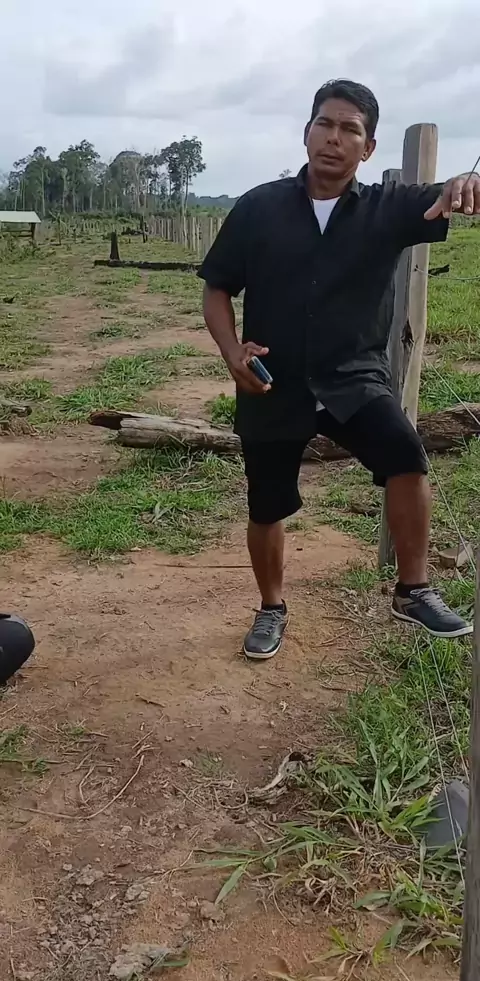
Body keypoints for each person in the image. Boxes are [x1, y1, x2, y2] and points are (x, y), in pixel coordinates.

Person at [198, 79, 480, 661]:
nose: (334, 137)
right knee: (267, 503)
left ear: (367, 148)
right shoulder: (257, 208)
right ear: (306, 133)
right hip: (272, 380)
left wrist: (463, 183)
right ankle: (271, 607)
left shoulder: (389, 208)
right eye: (325, 124)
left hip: (352, 377)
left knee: (405, 455)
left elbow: (446, 194)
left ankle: (412, 589)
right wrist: (231, 351)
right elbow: (217, 288)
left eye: (350, 129)